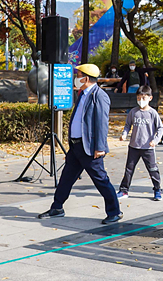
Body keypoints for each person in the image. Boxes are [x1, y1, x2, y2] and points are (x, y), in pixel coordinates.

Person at [38, 63, 122, 224]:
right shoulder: (82, 94)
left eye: (78, 75)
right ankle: (57, 207)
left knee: (101, 180)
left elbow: (102, 123)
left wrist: (100, 147)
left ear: (86, 78)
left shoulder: (99, 96)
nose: (76, 78)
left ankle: (115, 212)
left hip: (90, 147)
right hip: (76, 146)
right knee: (66, 178)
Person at [118, 87, 163, 201]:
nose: (141, 100)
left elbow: (160, 128)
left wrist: (155, 140)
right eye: (138, 98)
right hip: (134, 146)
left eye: (143, 98)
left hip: (147, 147)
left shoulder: (153, 113)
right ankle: (124, 190)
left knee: (153, 169)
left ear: (150, 98)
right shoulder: (133, 112)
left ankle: (157, 189)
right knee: (129, 169)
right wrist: (124, 134)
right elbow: (128, 125)